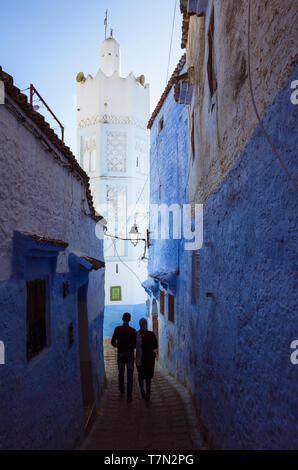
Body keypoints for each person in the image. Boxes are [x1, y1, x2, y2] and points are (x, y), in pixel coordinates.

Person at [111, 312, 136, 403]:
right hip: (130, 354)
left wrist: (118, 345)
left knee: (121, 372)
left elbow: (113, 342)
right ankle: (129, 395)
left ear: (122, 319)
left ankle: (121, 388)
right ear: (129, 319)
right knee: (130, 374)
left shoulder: (117, 329)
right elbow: (135, 345)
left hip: (121, 354)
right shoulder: (133, 331)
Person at [136, 318, 158, 402]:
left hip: (140, 359)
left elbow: (135, 346)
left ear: (140, 325)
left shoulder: (137, 334)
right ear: (146, 324)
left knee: (141, 375)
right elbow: (155, 346)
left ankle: (142, 390)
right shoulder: (151, 334)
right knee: (148, 377)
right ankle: (148, 393)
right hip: (149, 359)